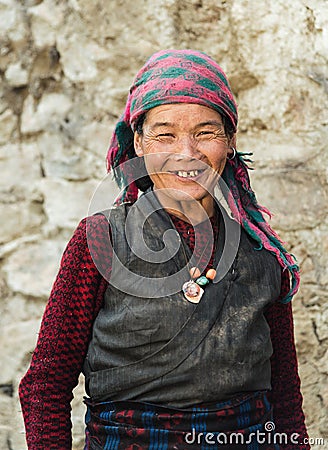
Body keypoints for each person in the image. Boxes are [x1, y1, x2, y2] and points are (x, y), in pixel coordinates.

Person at [19, 49, 310, 449]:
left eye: (206, 132)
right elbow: (45, 386)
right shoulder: (100, 241)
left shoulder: (261, 253)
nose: (186, 153)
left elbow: (285, 395)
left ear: (230, 142)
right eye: (165, 134)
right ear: (138, 143)